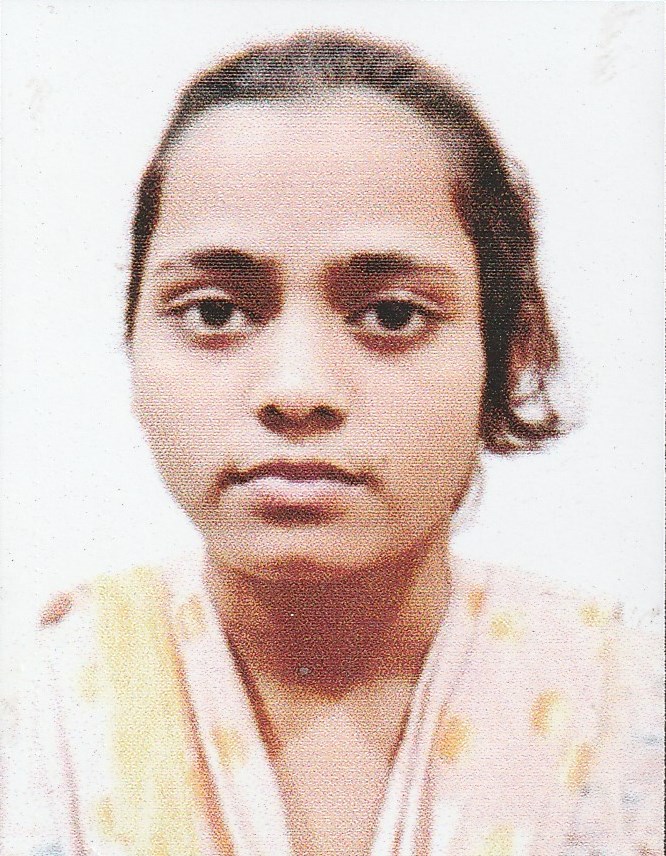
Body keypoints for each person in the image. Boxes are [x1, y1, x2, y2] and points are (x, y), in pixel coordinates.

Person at [3, 30, 662, 856]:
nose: (296, 390)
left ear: (509, 353)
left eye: (392, 314)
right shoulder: (40, 720)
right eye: (215, 311)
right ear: (133, 346)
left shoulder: (627, 712)